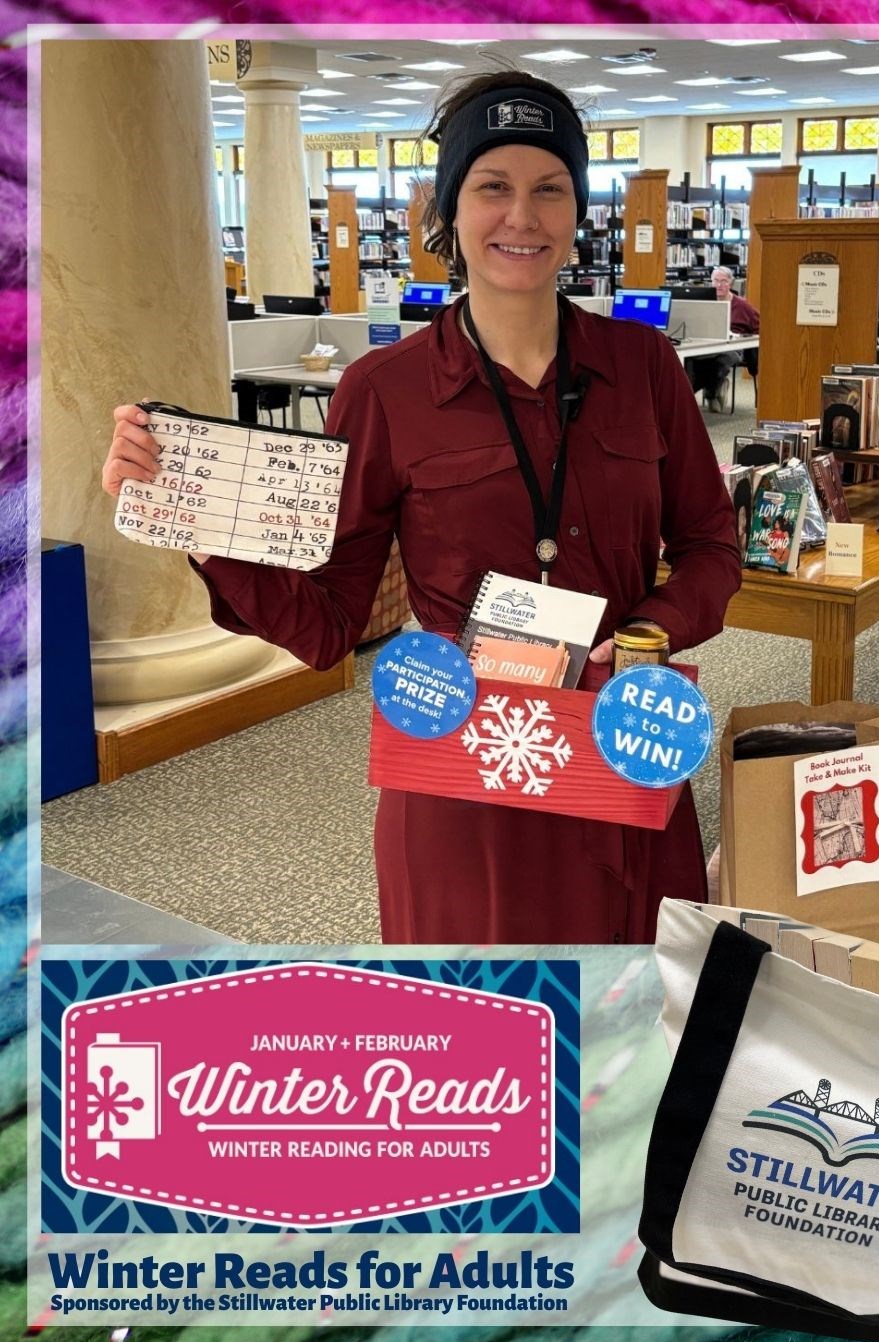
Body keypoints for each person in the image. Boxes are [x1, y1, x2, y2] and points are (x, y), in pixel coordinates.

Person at [102, 70, 742, 946]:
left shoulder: (644, 367)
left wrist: (646, 635)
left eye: (549, 189)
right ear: (448, 212)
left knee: (627, 1023)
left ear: (576, 210)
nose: (523, 216)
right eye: (493, 188)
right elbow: (332, 620)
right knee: (482, 1027)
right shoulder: (384, 390)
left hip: (617, 740)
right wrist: (200, 522)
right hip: (460, 761)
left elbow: (711, 544)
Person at [703, 265, 760, 414]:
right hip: (707, 344)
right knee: (693, 361)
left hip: (734, 347)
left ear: (731, 283)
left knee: (721, 360)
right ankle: (709, 388)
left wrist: (748, 340)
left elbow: (760, 326)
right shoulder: (704, 302)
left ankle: (711, 394)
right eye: (716, 281)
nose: (719, 285)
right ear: (711, 282)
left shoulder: (742, 306)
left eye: (724, 281)